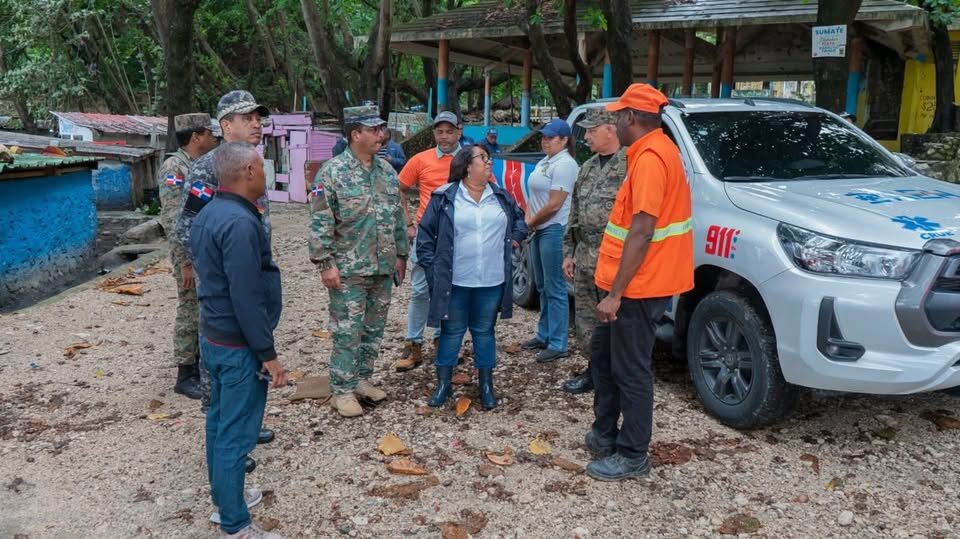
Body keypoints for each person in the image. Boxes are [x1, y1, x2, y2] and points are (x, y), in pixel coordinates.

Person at [585, 84, 694, 481]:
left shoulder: (651, 158)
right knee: (604, 356)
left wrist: (615, 294)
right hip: (635, 284)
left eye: (618, 114)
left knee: (630, 370)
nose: (614, 121)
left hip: (637, 287)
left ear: (632, 117)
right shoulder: (652, 153)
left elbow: (642, 229)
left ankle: (632, 454)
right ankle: (604, 433)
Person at [173, 90, 275, 471]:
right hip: (225, 286)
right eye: (247, 117)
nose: (256, 124)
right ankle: (225, 449)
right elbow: (188, 228)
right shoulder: (207, 169)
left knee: (254, 354)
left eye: (258, 118)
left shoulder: (252, 163)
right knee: (225, 368)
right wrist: (219, 269)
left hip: (250, 275)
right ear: (225, 125)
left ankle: (246, 428)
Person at [190, 141, 287, 539]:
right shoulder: (240, 223)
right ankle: (235, 524)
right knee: (235, 432)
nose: (264, 175)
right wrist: (268, 354)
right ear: (247, 171)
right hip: (237, 346)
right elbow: (245, 296)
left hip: (214, 337)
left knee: (217, 423)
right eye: (262, 168)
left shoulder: (209, 212)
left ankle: (225, 501)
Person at [309, 105, 408, 418]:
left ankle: (361, 379)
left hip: (381, 266)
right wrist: (326, 263)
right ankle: (341, 390)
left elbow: (397, 217)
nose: (381, 135)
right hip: (349, 269)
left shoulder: (387, 171)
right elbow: (320, 221)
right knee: (347, 331)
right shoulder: (332, 172)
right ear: (356, 134)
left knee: (373, 330)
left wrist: (401, 255)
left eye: (381, 129)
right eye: (374, 129)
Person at [416, 145, 527, 410]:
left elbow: (520, 221)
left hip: (492, 281)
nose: (489, 163)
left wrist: (516, 238)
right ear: (467, 166)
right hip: (456, 282)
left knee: (485, 332)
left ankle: (486, 385)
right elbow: (424, 239)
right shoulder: (445, 197)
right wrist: (435, 272)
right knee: (451, 331)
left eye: (489, 158)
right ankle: (444, 384)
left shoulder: (500, 196)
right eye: (483, 159)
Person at [561, 109, 626, 395]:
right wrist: (568, 252)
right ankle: (593, 372)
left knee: (617, 325)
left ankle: (618, 377)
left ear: (609, 129)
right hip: (586, 258)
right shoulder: (586, 167)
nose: (585, 136)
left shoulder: (630, 165)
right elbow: (574, 212)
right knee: (587, 323)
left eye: (591, 130)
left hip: (616, 262)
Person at [393, 111, 463, 372]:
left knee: (452, 289)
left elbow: (488, 188)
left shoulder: (470, 158)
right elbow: (398, 187)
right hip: (427, 234)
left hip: (459, 236)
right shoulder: (420, 159)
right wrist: (408, 223)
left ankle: (444, 341)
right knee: (421, 289)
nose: (444, 136)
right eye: (439, 131)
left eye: (449, 131)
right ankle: (413, 343)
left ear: (459, 131)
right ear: (434, 133)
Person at [157, 112, 218, 400]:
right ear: (196, 137)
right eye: (209, 133)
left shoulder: (201, 165)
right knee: (189, 309)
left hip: (205, 250)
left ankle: (201, 365)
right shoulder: (175, 167)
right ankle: (185, 373)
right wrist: (185, 262)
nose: (214, 137)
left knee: (203, 309)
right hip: (188, 254)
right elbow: (172, 218)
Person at [521, 118, 580, 363]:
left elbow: (555, 204)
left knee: (555, 287)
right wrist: (529, 218)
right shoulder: (547, 161)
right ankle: (544, 334)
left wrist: (531, 222)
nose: (545, 141)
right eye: (543, 137)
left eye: (550, 137)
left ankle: (558, 342)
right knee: (543, 285)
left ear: (564, 140)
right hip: (538, 226)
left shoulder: (565, 164)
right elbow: (534, 194)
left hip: (553, 228)